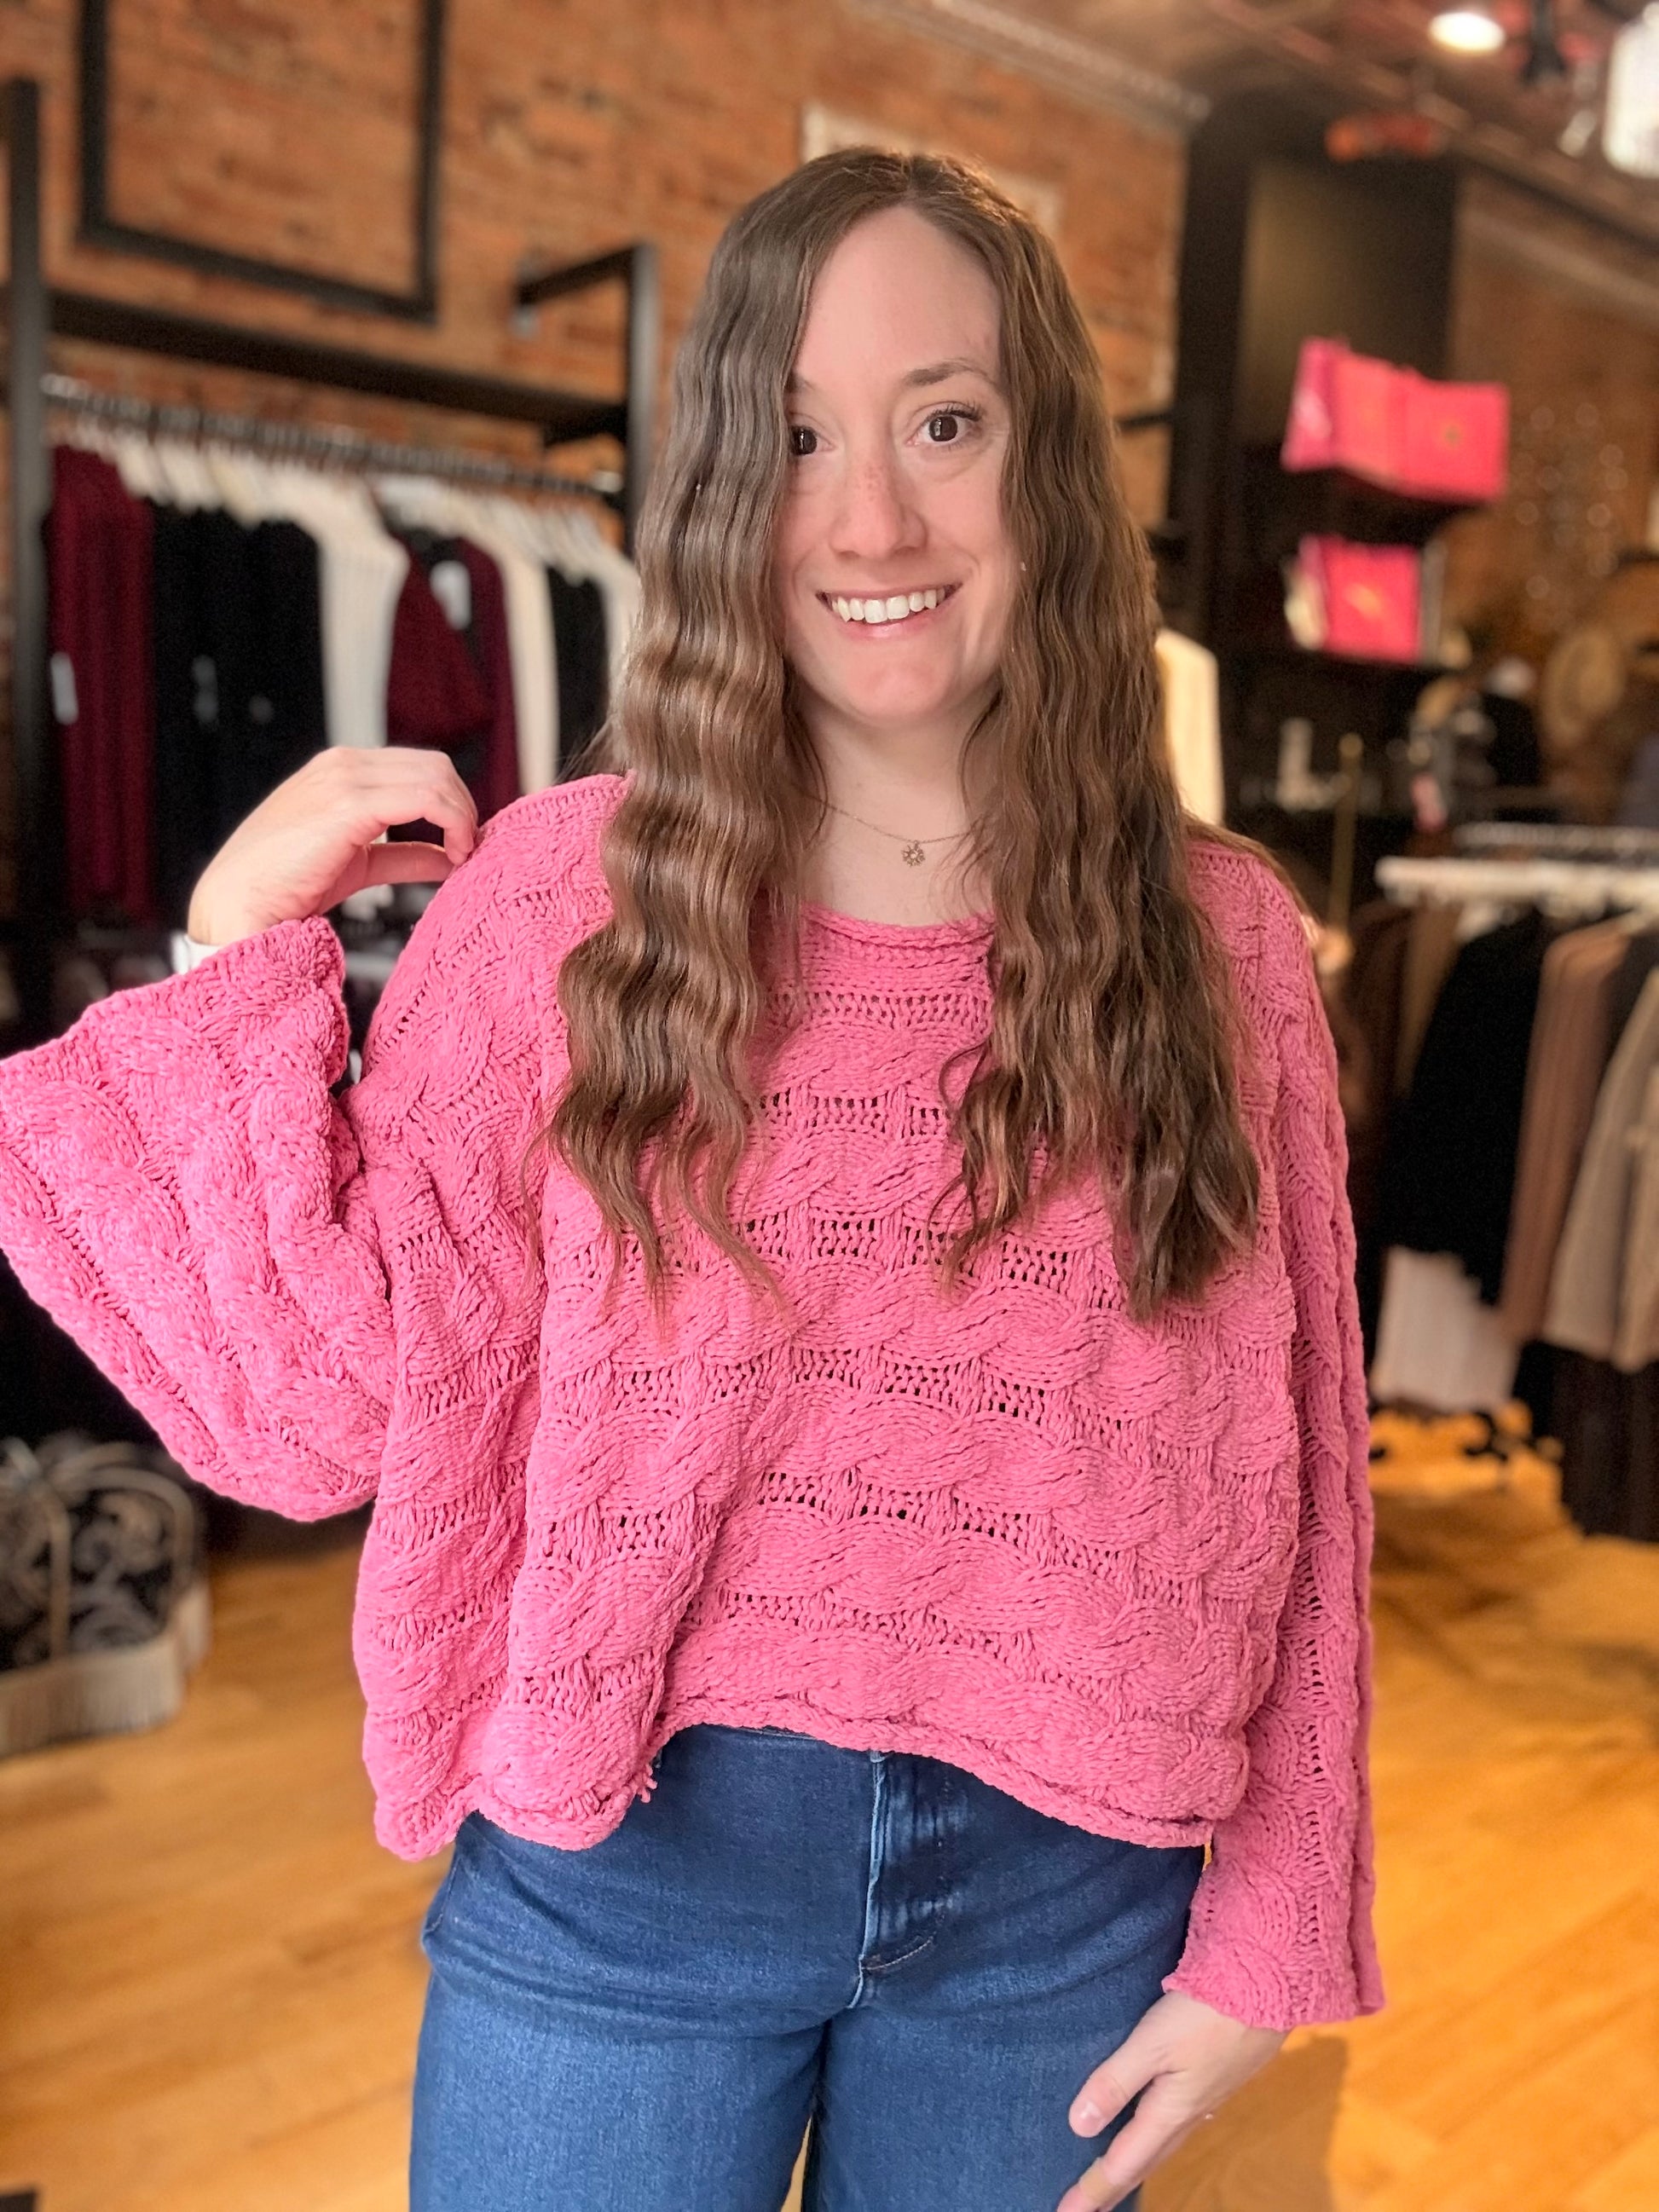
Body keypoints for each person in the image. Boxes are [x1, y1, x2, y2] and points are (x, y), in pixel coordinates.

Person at [0, 148, 1384, 2211]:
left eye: (946, 420)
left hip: (1068, 1916)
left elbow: (1303, 1462)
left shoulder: (1227, 942)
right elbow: (300, 1420)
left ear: (1047, 471)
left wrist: (1273, 1928)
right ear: (725, 487)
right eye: (801, 435)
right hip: (624, 1884)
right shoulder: (563, 897)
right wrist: (229, 947)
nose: (874, 517)